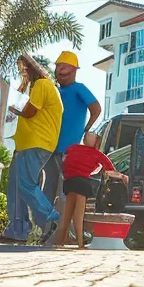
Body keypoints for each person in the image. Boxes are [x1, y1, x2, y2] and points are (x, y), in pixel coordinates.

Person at [0, 55, 63, 244]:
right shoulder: (41, 87)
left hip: (36, 143)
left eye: (24, 69)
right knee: (16, 188)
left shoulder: (42, 85)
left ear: (32, 68)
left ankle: (50, 217)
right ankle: (16, 230)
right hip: (28, 144)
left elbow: (29, 112)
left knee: (25, 184)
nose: (22, 73)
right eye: (20, 70)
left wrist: (13, 109)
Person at [46, 50, 101, 230]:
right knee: (48, 189)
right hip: (50, 147)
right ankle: (49, 229)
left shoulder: (79, 88)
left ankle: (66, 230)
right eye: (57, 66)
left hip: (68, 151)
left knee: (66, 191)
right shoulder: (56, 91)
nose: (60, 70)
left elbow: (96, 108)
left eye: (64, 67)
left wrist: (86, 130)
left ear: (74, 70)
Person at [52, 132, 127, 249]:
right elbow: (110, 171)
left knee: (66, 214)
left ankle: (59, 241)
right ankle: (80, 244)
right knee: (79, 215)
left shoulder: (72, 148)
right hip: (82, 183)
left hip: (69, 181)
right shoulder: (98, 155)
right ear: (97, 143)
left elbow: (65, 160)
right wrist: (124, 177)